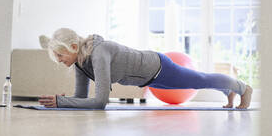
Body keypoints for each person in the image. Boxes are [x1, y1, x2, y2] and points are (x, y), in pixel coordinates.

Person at [38, 28, 252, 109]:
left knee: (199, 80)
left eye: (60, 55)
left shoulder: (98, 53)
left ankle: (242, 87)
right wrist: (62, 101)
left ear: (74, 47)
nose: (58, 61)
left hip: (158, 67)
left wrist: (63, 102)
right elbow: (81, 97)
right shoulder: (80, 63)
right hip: (148, 79)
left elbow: (100, 102)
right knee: (200, 80)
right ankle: (229, 91)